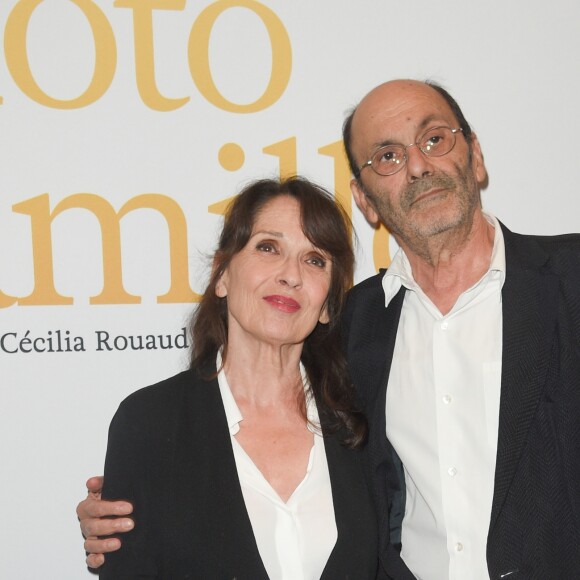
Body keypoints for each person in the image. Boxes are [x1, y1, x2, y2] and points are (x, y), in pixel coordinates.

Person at [79, 81, 580, 579]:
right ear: (365, 200)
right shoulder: (358, 330)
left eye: (434, 139)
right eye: (387, 155)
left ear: (475, 155)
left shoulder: (570, 279)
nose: (419, 165)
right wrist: (123, 510)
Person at [89, 176, 378, 579]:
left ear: (328, 304)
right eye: (268, 247)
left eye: (314, 259)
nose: (291, 275)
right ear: (222, 275)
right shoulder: (148, 423)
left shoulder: (363, 422)